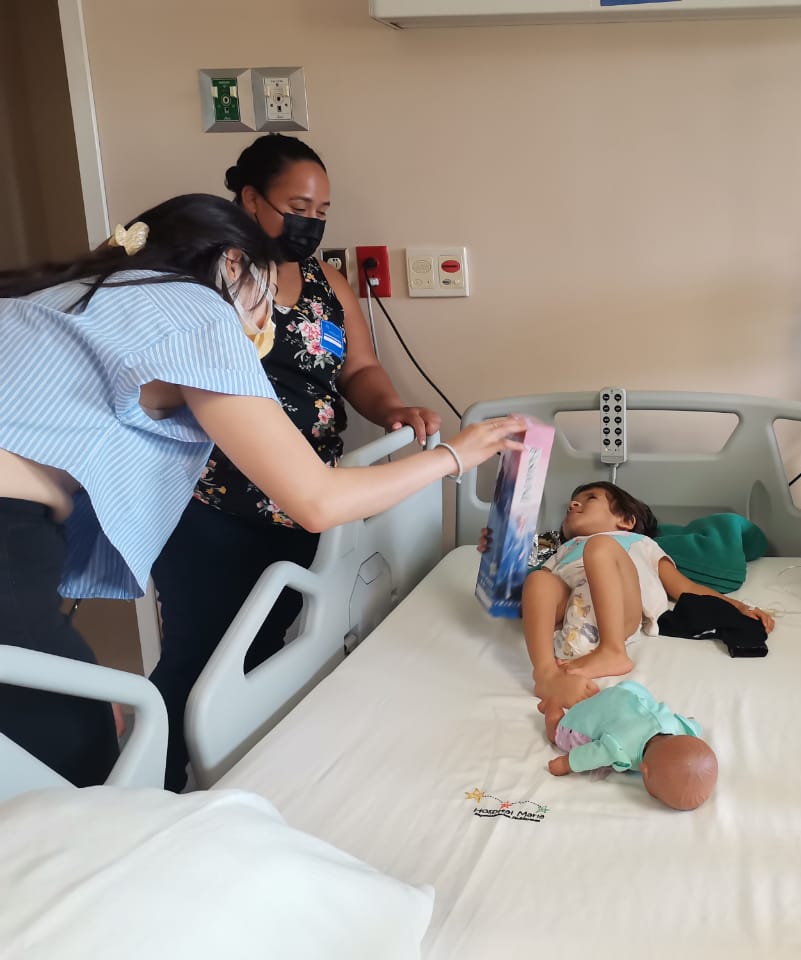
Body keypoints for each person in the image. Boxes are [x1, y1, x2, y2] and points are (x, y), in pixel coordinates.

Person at [0, 193, 522, 789]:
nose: (267, 319)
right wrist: (456, 455)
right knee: (73, 749)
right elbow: (318, 501)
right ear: (231, 263)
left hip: (24, 527)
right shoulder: (198, 312)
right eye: (267, 295)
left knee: (67, 718)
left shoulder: (80, 294)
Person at [149, 135, 445, 791]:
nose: (312, 222)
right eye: (298, 207)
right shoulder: (212, 275)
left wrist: (394, 409)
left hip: (310, 504)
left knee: (268, 656)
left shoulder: (326, 283)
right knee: (199, 659)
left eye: (323, 211)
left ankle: (237, 787)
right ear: (250, 199)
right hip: (215, 507)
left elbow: (358, 368)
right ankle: (152, 792)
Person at [511, 482, 774, 705]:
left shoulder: (639, 543)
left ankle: (612, 651)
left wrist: (739, 606)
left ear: (626, 521)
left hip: (622, 613)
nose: (573, 505)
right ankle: (545, 673)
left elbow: (687, 588)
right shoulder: (563, 550)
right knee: (538, 579)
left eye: (589, 499)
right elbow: (531, 592)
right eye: (571, 504)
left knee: (600, 547)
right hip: (571, 614)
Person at [538, 680, 717, 811]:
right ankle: (552, 704)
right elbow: (594, 754)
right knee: (557, 734)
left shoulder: (678, 727)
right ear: (645, 772)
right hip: (601, 709)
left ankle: (597, 698)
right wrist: (567, 763)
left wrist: (692, 724)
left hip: (628, 692)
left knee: (628, 708)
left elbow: (692, 724)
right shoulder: (621, 748)